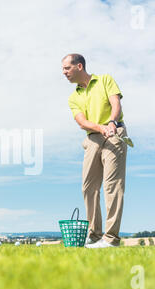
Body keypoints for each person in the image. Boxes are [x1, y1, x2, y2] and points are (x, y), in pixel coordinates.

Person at [62, 54, 129, 248]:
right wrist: (100, 128)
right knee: (88, 187)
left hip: (114, 132)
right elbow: (82, 122)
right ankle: (94, 234)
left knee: (112, 186)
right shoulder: (73, 97)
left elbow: (115, 103)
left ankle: (111, 239)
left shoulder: (105, 79)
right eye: (63, 70)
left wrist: (111, 123)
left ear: (79, 66)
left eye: (67, 68)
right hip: (93, 137)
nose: (64, 73)